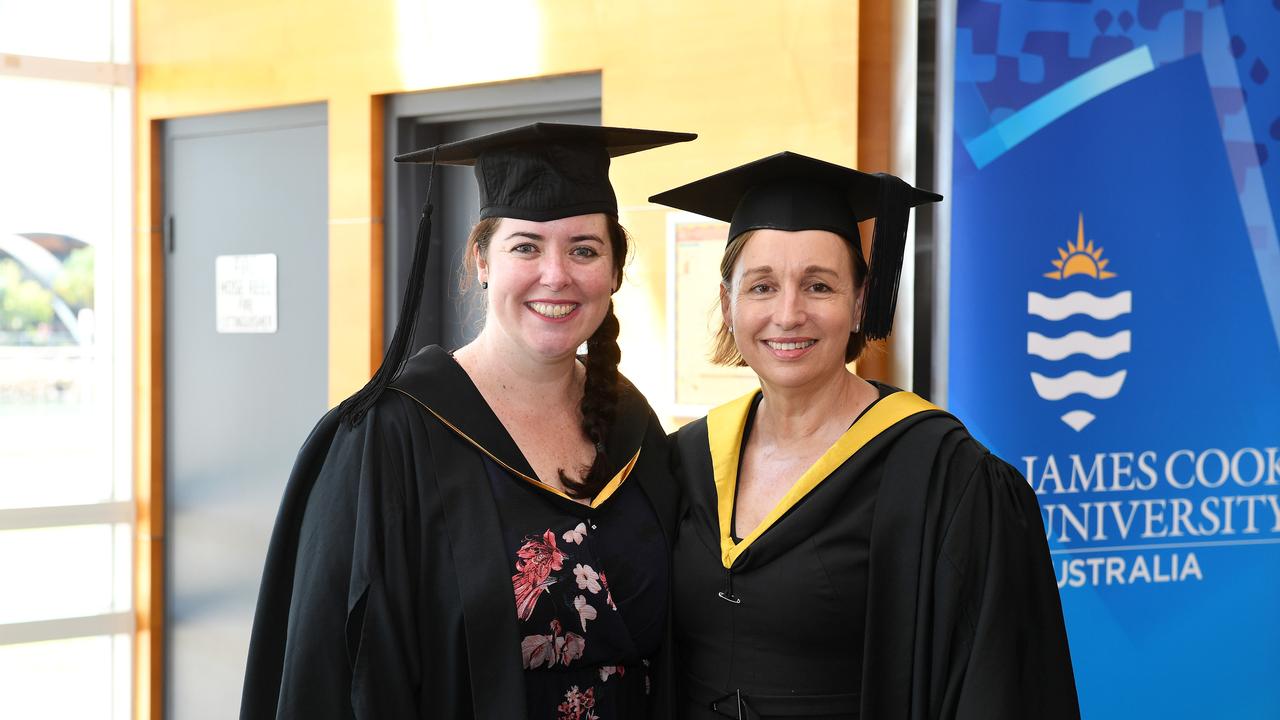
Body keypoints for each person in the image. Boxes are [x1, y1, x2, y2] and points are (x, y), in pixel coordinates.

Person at [240, 123, 694, 719]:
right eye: (525, 246)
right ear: (482, 259)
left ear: (613, 271)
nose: (556, 274)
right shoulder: (389, 437)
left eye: (584, 249)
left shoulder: (633, 426)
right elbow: (330, 668)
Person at [649, 152, 1079, 719]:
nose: (788, 312)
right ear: (728, 304)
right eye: (761, 286)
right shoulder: (689, 459)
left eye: (819, 285)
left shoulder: (941, 475)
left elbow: (999, 685)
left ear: (859, 303)